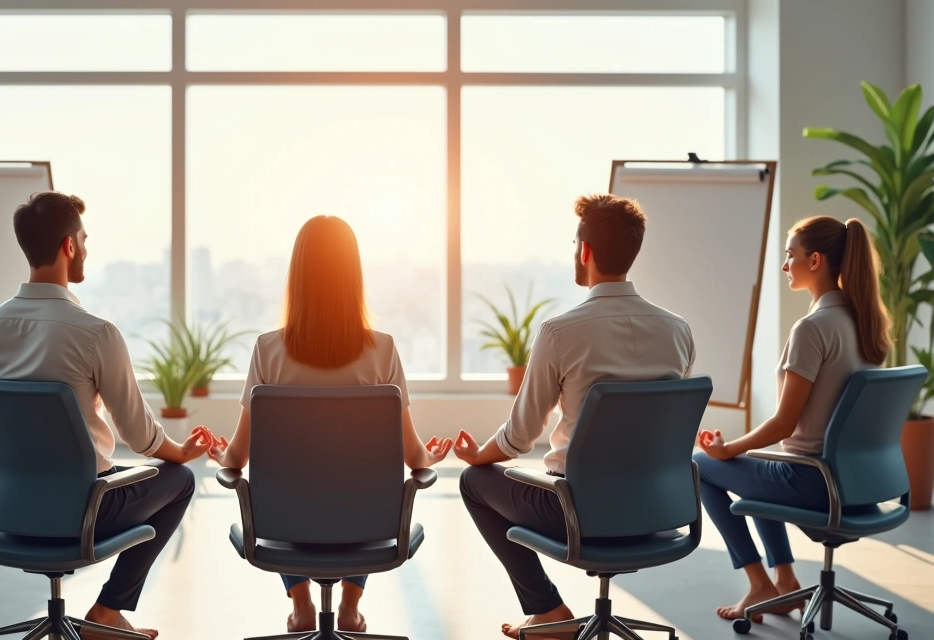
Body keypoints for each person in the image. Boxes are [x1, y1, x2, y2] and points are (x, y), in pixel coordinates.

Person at [0, 191, 215, 640]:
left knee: (113, 471)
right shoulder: (96, 333)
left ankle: (106, 613)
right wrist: (180, 451)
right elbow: (140, 436)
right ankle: (107, 611)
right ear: (69, 246)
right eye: (84, 238)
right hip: (78, 511)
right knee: (179, 480)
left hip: (3, 506)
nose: (86, 247)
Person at [452, 194, 696, 639]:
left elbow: (519, 437)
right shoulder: (678, 331)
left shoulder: (561, 331)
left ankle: (547, 610)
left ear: (584, 250)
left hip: (580, 512)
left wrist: (477, 456)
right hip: (659, 509)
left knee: (474, 483)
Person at [208, 215, 453, 635]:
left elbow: (240, 458)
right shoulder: (383, 350)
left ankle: (301, 604)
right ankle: (351, 608)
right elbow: (413, 458)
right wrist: (431, 455)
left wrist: (220, 454)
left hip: (284, 526)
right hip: (367, 528)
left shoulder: (268, 350)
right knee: (360, 481)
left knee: (293, 485)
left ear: (296, 276)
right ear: (354, 277)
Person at [695, 216, 891, 623]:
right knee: (762, 461)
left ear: (815, 260)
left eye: (790, 256)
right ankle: (784, 583)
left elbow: (785, 424)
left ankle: (759, 583)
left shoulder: (813, 329)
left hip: (812, 482)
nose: (785, 266)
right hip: (861, 483)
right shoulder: (869, 325)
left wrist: (727, 448)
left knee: (702, 465)